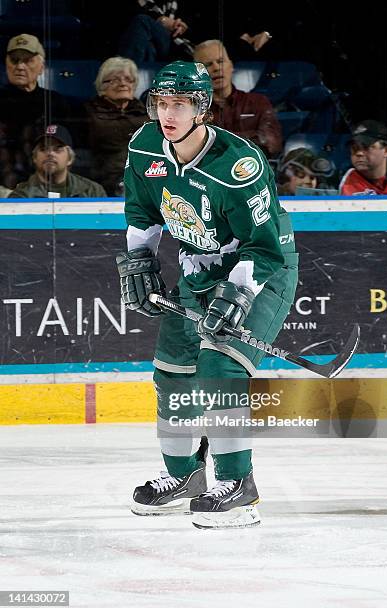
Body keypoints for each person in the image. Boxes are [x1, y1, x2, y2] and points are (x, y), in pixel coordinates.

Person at [116, 61, 298, 529]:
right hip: (198, 269)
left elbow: (264, 246)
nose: (168, 113)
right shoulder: (145, 147)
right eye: (161, 102)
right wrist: (141, 260)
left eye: (179, 103)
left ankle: (239, 486)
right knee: (172, 371)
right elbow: (141, 208)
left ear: (201, 108)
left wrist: (236, 295)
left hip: (264, 269)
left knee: (219, 367)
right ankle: (184, 477)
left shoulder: (238, 166)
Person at [0, 33, 73, 189]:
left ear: (41, 67)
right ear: (6, 65)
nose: (20, 66)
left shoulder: (55, 102)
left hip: (48, 182)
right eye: (14, 60)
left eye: (27, 60)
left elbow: (67, 149)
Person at [193, 40, 282, 160]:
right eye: (208, 65)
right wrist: (251, 136)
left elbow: (272, 144)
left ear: (231, 65)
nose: (216, 68)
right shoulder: (194, 110)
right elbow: (195, 149)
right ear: (197, 75)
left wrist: (218, 139)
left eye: (220, 61)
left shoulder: (258, 102)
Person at [84, 57, 148, 196]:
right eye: (115, 79)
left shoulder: (146, 113)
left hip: (144, 179)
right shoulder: (88, 111)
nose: (123, 84)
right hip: (102, 179)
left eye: (128, 79)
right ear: (102, 85)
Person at [9, 125, 106, 198]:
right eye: (43, 149)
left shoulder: (92, 191)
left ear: (70, 158)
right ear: (34, 158)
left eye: (58, 149)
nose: (50, 153)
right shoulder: (21, 195)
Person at [340, 120, 387, 195]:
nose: (359, 153)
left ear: (386, 151)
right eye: (354, 148)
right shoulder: (350, 183)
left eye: (366, 147)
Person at [118, 0, 194, 65]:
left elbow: (195, 31)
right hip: (147, 45)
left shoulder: (180, 3)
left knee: (142, 20)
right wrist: (160, 19)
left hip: (174, 45)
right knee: (149, 47)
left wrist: (181, 27)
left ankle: (124, 71)